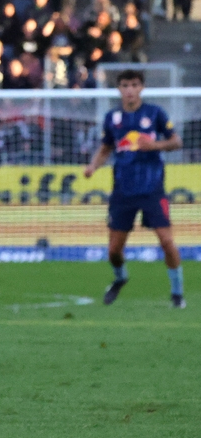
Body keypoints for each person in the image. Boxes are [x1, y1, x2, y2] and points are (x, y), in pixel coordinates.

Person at [83, 70, 186, 308]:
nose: (130, 89)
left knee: (166, 242)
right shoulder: (112, 117)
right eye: (125, 85)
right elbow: (106, 148)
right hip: (123, 191)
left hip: (152, 189)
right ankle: (120, 278)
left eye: (134, 85)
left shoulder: (155, 113)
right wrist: (92, 166)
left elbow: (176, 141)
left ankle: (177, 293)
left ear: (141, 88)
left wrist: (155, 145)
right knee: (114, 250)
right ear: (119, 89)